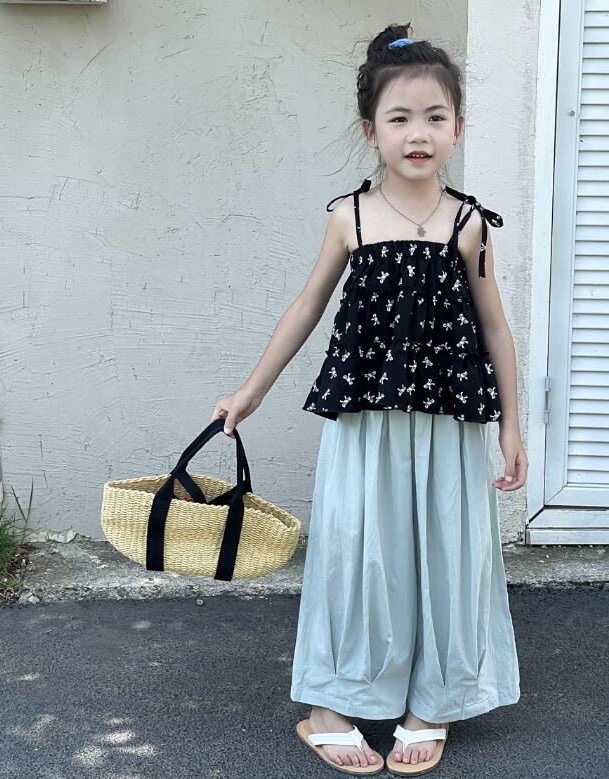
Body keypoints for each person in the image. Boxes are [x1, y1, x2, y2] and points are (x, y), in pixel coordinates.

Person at [210, 22, 527, 776]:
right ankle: (330, 704)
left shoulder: (469, 223)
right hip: (366, 420)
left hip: (448, 422)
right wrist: (251, 390)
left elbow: (496, 327)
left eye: (436, 117)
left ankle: (434, 700)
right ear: (370, 131)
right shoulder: (348, 217)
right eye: (400, 118)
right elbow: (305, 308)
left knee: (447, 555)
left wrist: (513, 427)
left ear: (458, 127)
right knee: (354, 555)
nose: (419, 134)